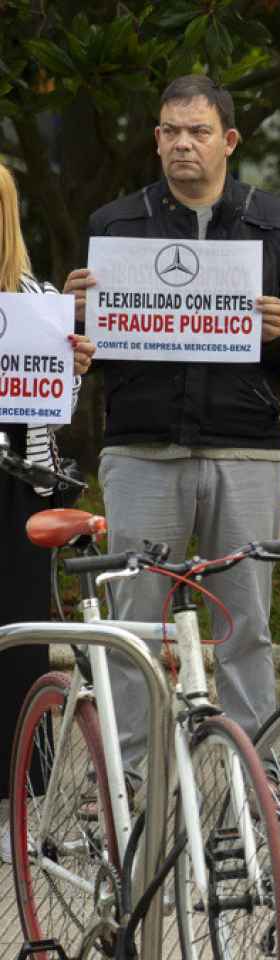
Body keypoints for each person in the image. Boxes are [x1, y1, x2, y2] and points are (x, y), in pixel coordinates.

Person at [62, 75, 280, 770]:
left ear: (230, 141)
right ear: (156, 140)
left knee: (247, 624)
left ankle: (257, 783)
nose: (183, 143)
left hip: (245, 449)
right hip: (141, 448)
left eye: (199, 131)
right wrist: (73, 320)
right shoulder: (114, 225)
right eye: (170, 131)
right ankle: (127, 786)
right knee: (131, 624)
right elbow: (91, 342)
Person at [0, 160, 96, 863]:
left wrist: (75, 368)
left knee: (23, 647)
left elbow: (49, 414)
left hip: (17, 488)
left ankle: (13, 814)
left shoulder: (32, 296)